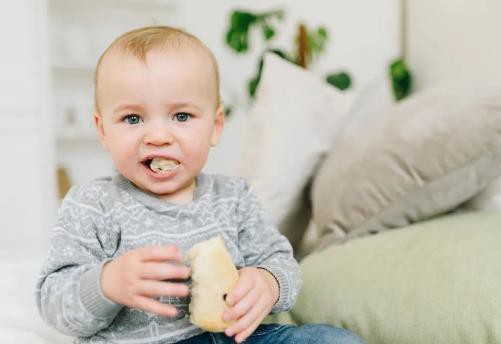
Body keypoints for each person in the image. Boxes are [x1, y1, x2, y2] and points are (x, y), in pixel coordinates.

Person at [36, 25, 365, 344]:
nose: (158, 137)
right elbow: (53, 302)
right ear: (103, 129)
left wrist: (268, 282)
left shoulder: (234, 197)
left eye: (181, 116)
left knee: (334, 340)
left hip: (235, 337)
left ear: (215, 127)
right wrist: (107, 284)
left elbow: (280, 261)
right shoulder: (93, 203)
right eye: (133, 119)